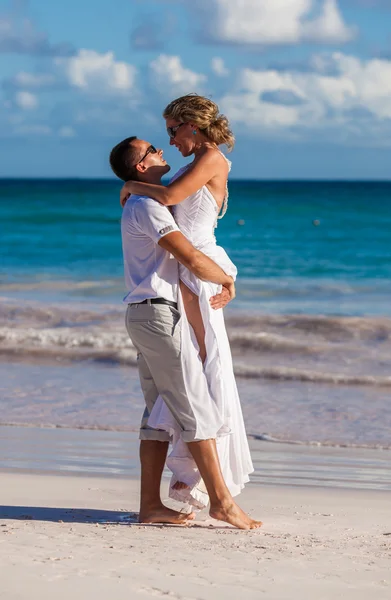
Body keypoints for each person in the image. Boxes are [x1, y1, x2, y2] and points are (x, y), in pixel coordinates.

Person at [110, 135, 262, 530]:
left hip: (143, 315)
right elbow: (190, 256)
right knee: (197, 410)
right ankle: (222, 503)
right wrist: (228, 280)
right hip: (160, 317)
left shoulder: (141, 202)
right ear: (142, 166)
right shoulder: (148, 207)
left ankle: (150, 506)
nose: (162, 151)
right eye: (154, 150)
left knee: (157, 414)